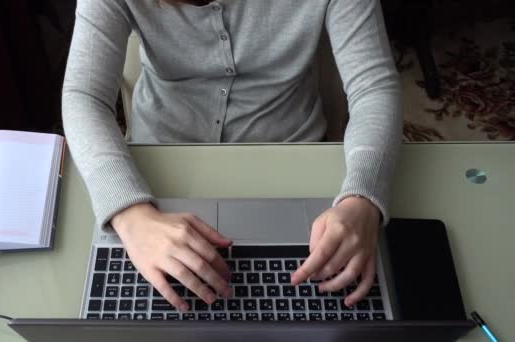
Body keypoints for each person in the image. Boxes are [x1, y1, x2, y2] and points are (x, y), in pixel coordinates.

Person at [62, 0, 403, 312]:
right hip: (157, 164)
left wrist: (362, 198)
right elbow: (84, 95)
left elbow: (374, 87)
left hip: (290, 154)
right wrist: (129, 214)